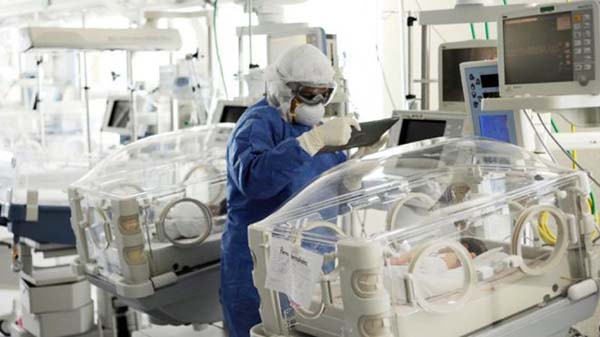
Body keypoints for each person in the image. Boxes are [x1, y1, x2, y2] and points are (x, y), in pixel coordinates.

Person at [220, 44, 376, 337]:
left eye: (324, 94)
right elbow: (255, 182)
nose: (317, 101)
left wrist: (356, 170)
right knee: (262, 327)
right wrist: (309, 143)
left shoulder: (318, 129)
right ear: (283, 89)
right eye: (308, 93)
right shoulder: (257, 125)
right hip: (259, 265)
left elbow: (331, 197)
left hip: (310, 261)